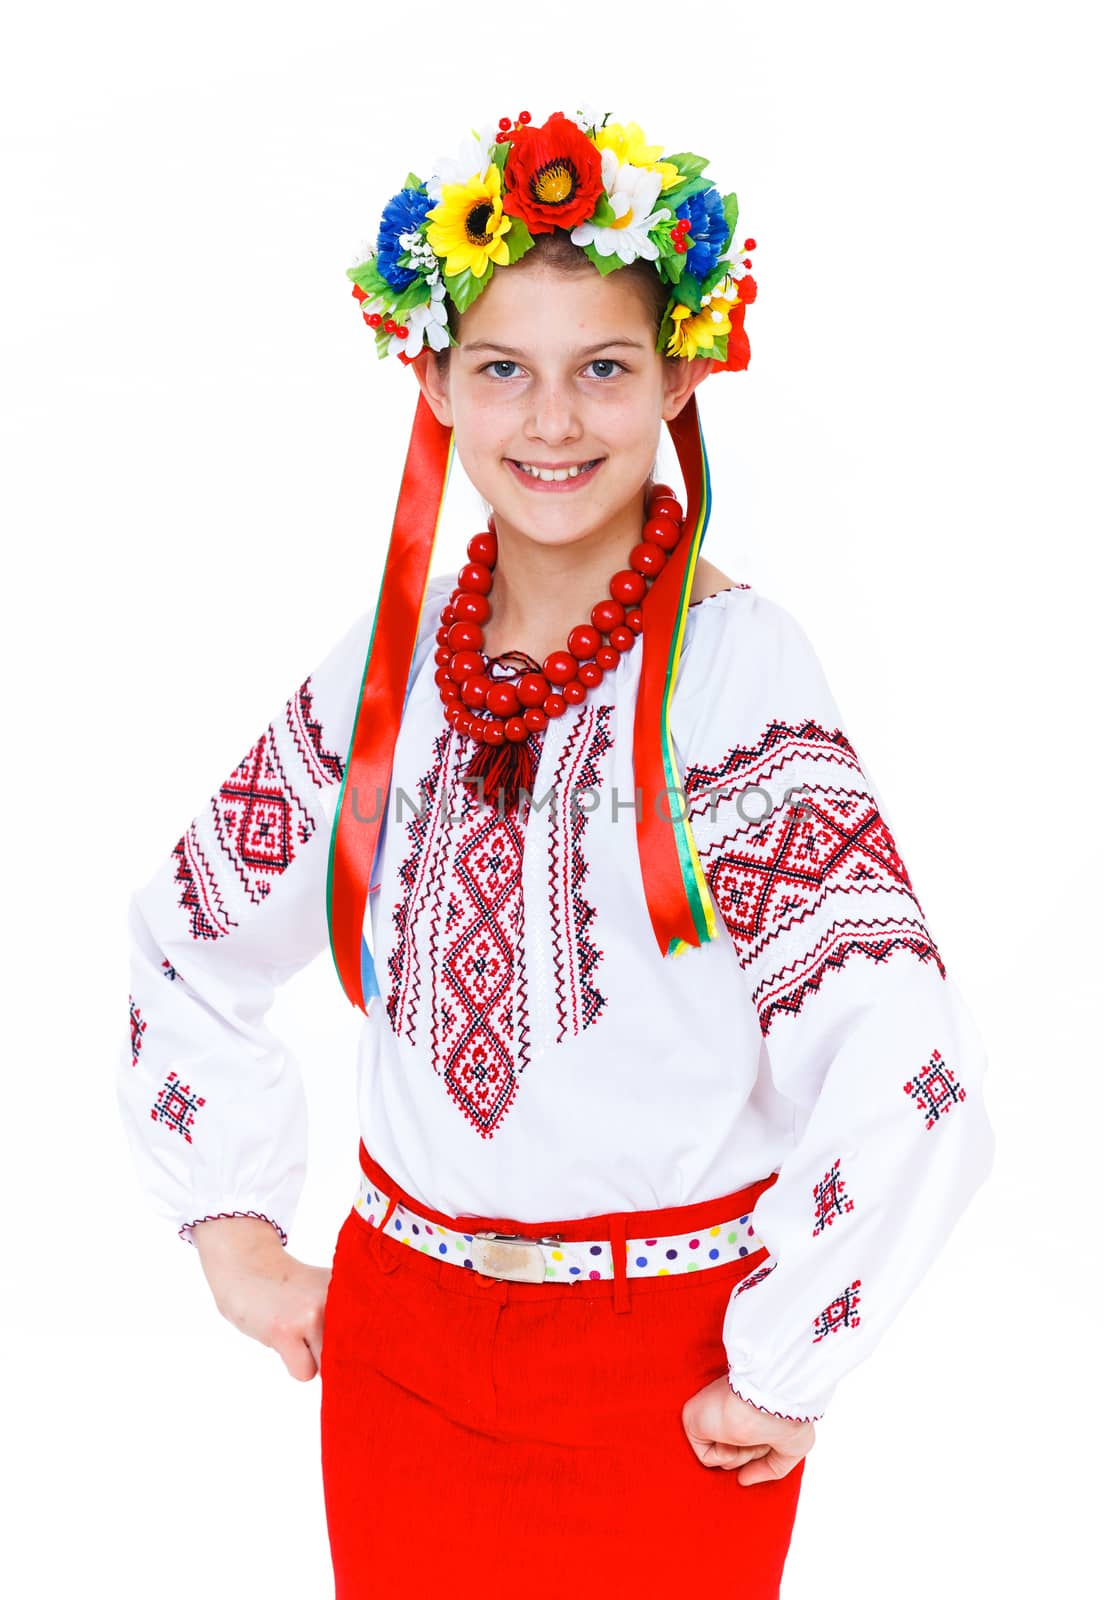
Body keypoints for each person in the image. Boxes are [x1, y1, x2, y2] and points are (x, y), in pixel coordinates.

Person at [117, 106, 995, 1599]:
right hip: (398, 1354)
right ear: (436, 385)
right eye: (501, 371)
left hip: (663, 1379)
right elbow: (188, 928)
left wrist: (787, 1362)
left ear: (683, 379)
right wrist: (235, 1230)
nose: (553, 420)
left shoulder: (737, 677)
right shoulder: (390, 671)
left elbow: (910, 1063)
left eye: (605, 369)